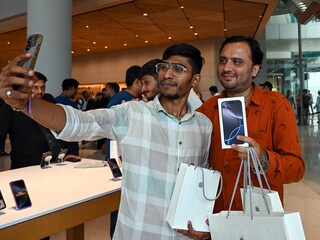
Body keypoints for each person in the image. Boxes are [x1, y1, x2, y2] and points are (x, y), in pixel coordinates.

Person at [0, 43, 212, 239]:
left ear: (195, 80)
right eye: (164, 67)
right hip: (138, 233)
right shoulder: (133, 113)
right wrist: (26, 104)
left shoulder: (204, 126)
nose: (167, 74)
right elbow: (82, 122)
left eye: (178, 68)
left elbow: (202, 181)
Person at [195, 36, 305, 237]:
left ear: (254, 70)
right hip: (218, 222)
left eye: (237, 62)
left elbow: (296, 169)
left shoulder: (277, 106)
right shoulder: (206, 110)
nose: (227, 67)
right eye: (222, 60)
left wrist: (262, 159)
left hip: (261, 224)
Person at [0, 72, 80, 170]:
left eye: (42, 88)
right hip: (25, 165)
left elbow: (59, 127)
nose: (39, 91)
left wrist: (68, 152)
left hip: (52, 161)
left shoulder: (48, 100)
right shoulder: (11, 107)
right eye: (35, 87)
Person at [55, 78, 80, 155]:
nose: (76, 93)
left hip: (57, 139)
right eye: (76, 90)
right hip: (71, 139)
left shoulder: (53, 101)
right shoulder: (72, 105)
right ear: (72, 88)